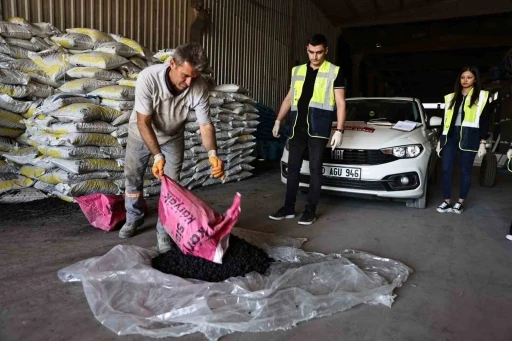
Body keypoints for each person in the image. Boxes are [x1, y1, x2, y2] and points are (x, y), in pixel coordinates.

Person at [119, 43, 225, 253]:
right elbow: (143, 122)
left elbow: (205, 124)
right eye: (185, 75)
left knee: (172, 186)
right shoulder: (148, 78)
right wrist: (157, 155)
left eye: (193, 77)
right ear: (172, 64)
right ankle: (133, 218)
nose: (188, 82)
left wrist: (212, 154)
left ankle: (163, 230)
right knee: (133, 177)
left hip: (173, 137)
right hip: (141, 134)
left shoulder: (199, 85)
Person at [269, 33, 346, 225]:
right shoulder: (297, 71)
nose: (315, 57)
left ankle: (310, 210)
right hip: (297, 127)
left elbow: (341, 103)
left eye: (319, 52)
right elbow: (289, 97)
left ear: (326, 51)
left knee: (315, 170)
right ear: (307, 49)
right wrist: (279, 119)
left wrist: (340, 130)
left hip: (319, 128)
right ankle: (288, 208)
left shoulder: (334, 71)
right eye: (311, 52)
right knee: (293, 168)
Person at [436, 66, 490, 214]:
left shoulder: (482, 97)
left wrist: (483, 142)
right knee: (446, 169)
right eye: (462, 77)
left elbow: (485, 120)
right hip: (451, 137)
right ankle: (446, 201)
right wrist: (440, 139)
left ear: (475, 79)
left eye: (469, 77)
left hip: (470, 138)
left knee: (465, 171)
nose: (465, 80)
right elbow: (445, 120)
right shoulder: (451, 97)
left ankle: (460, 202)